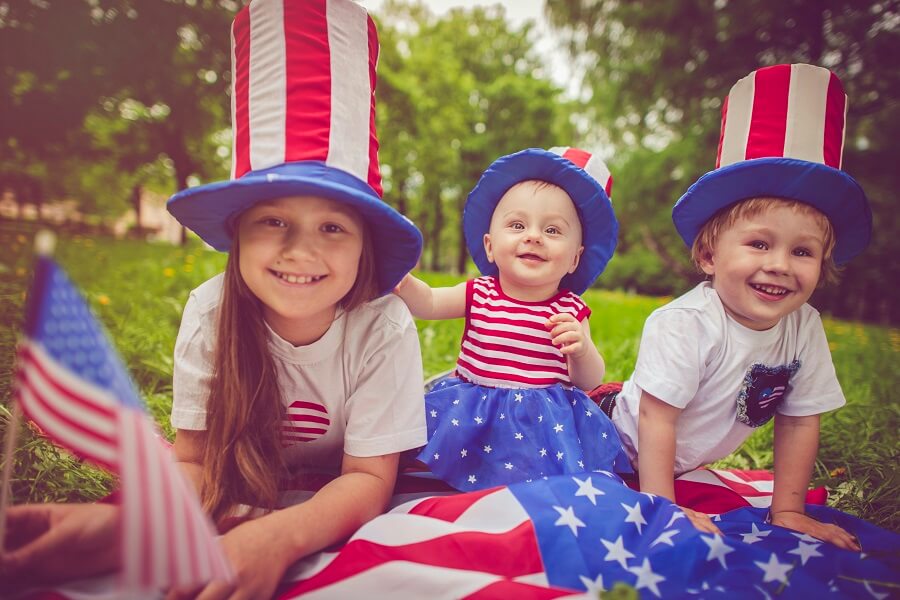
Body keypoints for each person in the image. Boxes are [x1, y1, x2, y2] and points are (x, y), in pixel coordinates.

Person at [2, 0, 427, 596]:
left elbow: (366, 477)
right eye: (273, 221)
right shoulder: (211, 312)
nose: (301, 252)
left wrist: (277, 536)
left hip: (341, 479)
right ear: (235, 234)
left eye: (333, 227)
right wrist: (130, 527)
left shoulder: (383, 325)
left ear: (365, 248)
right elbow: (195, 462)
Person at [602, 64, 870, 550]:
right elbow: (656, 421)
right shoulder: (684, 323)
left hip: (676, 459)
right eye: (759, 244)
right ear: (709, 256)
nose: (781, 265)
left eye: (803, 251)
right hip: (610, 442)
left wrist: (787, 509)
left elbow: (800, 418)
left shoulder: (803, 326)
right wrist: (664, 508)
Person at [395, 147, 632, 491]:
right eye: (518, 225)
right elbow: (429, 302)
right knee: (435, 467)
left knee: (544, 487)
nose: (533, 236)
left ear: (574, 259)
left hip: (541, 426)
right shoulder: (480, 292)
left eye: (553, 231)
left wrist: (580, 350)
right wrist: (404, 280)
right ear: (490, 246)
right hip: (472, 413)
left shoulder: (569, 309)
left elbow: (589, 380)